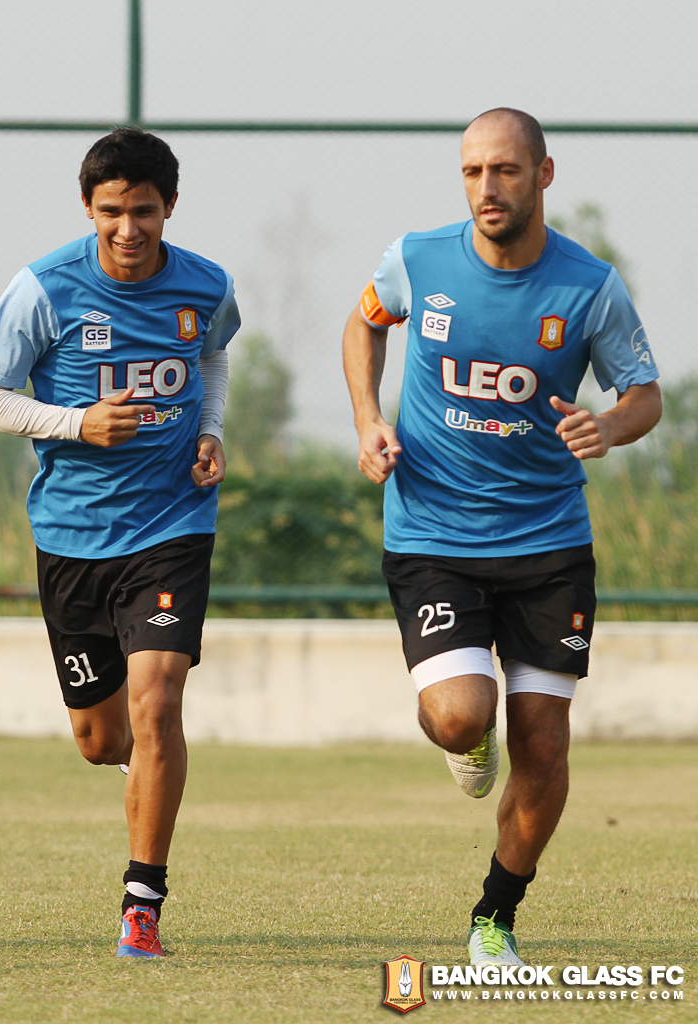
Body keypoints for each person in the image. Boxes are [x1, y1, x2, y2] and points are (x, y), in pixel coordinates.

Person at [342, 108, 661, 967]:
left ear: (544, 175)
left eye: (506, 170)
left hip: (548, 542)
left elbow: (644, 394)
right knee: (459, 718)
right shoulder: (417, 259)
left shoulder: (590, 286)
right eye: (473, 171)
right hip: (433, 533)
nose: (487, 187)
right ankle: (468, 736)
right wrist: (368, 417)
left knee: (545, 746)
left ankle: (495, 916)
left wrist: (609, 427)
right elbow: (365, 321)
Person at [0, 127, 240, 959]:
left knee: (158, 702)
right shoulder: (43, 289)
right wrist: (75, 423)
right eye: (112, 211)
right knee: (103, 741)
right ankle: (137, 768)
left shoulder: (207, 284)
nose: (129, 229)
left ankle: (141, 906)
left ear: (171, 207)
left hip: (172, 526)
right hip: (73, 536)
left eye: (144, 212)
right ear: (88, 207)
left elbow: (213, 357)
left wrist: (210, 431)